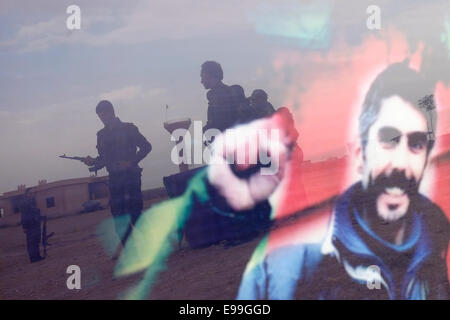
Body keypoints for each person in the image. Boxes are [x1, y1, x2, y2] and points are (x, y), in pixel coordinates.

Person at [235, 63, 449, 299]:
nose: (400, 162)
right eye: (388, 140)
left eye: (416, 144)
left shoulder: (437, 242)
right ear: (359, 152)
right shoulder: (283, 268)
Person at [83, 100, 152, 247]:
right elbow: (103, 159)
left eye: (104, 114)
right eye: (100, 116)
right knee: (118, 217)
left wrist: (131, 162)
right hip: (115, 179)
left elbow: (146, 146)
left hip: (131, 176)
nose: (103, 118)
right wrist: (92, 162)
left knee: (135, 214)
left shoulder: (128, 128)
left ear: (111, 111)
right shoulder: (101, 135)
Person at [201, 61, 241, 133]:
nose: (202, 81)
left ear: (209, 75)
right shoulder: (225, 92)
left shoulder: (220, 95)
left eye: (202, 76)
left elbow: (220, 124)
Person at [19, 189, 43, 263]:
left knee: (36, 241)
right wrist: (24, 227)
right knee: (31, 242)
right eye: (30, 193)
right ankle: (33, 258)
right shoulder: (24, 202)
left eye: (32, 193)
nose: (32, 194)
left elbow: (36, 212)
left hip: (35, 224)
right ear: (26, 194)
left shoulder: (33, 202)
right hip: (29, 225)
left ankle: (37, 256)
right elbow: (23, 215)